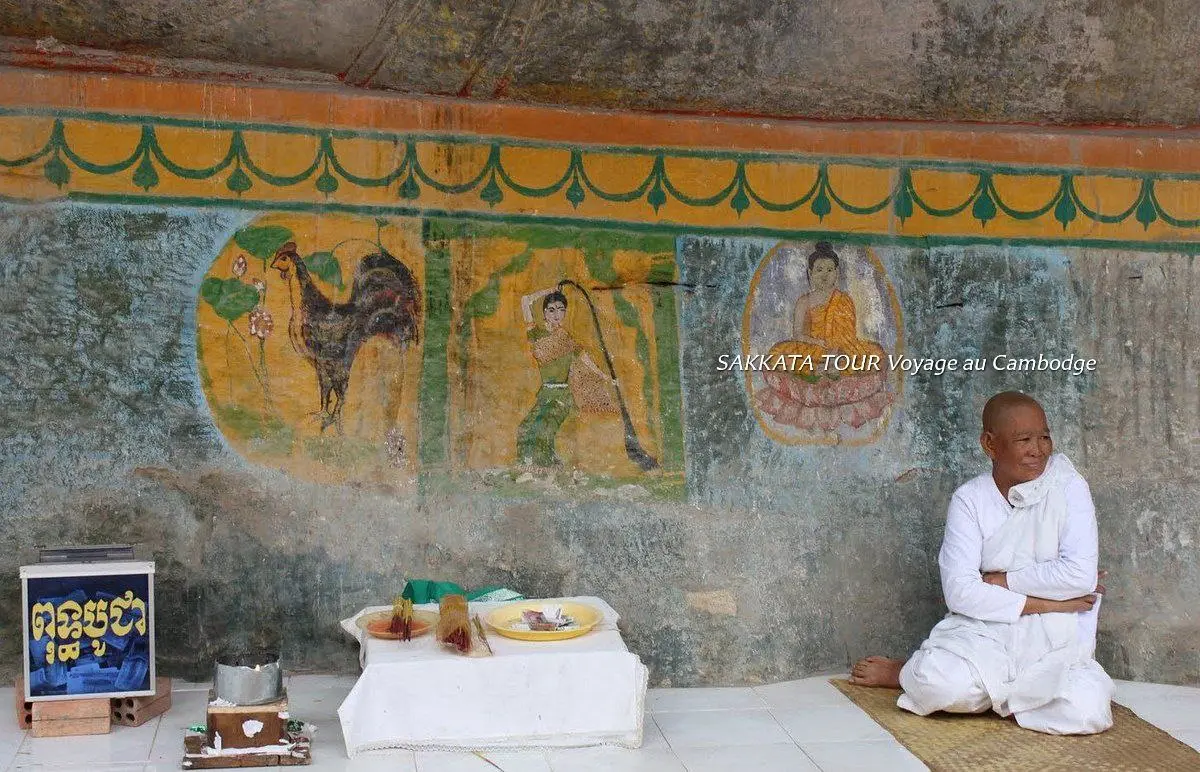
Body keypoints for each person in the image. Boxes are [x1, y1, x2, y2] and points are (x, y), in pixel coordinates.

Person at [849, 391, 1113, 735]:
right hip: (985, 630)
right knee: (935, 684)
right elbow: (960, 593)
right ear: (990, 444)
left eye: (1044, 437)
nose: (1038, 450)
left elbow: (1078, 576)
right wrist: (1051, 601)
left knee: (1086, 711)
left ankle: (995, 695)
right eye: (1024, 440)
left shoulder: (1068, 486)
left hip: (1055, 635)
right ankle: (908, 671)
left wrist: (1002, 581)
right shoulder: (970, 499)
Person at [756, 242, 891, 435]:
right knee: (778, 355)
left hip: (841, 349)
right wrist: (817, 343)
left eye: (829, 270)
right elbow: (798, 334)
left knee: (875, 355)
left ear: (837, 273)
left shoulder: (844, 300)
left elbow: (849, 335)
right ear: (810, 273)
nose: (824, 275)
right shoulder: (804, 301)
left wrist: (837, 349)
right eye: (819, 270)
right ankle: (825, 368)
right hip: (813, 349)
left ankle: (831, 367)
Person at [516, 285, 616, 467]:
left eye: (561, 309)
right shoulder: (536, 334)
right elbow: (525, 300)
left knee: (543, 429)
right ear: (544, 312)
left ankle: (544, 468)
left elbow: (584, 358)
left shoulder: (566, 339)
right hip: (545, 394)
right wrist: (549, 291)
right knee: (524, 429)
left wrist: (603, 375)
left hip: (562, 396)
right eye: (551, 310)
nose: (557, 314)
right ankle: (530, 466)